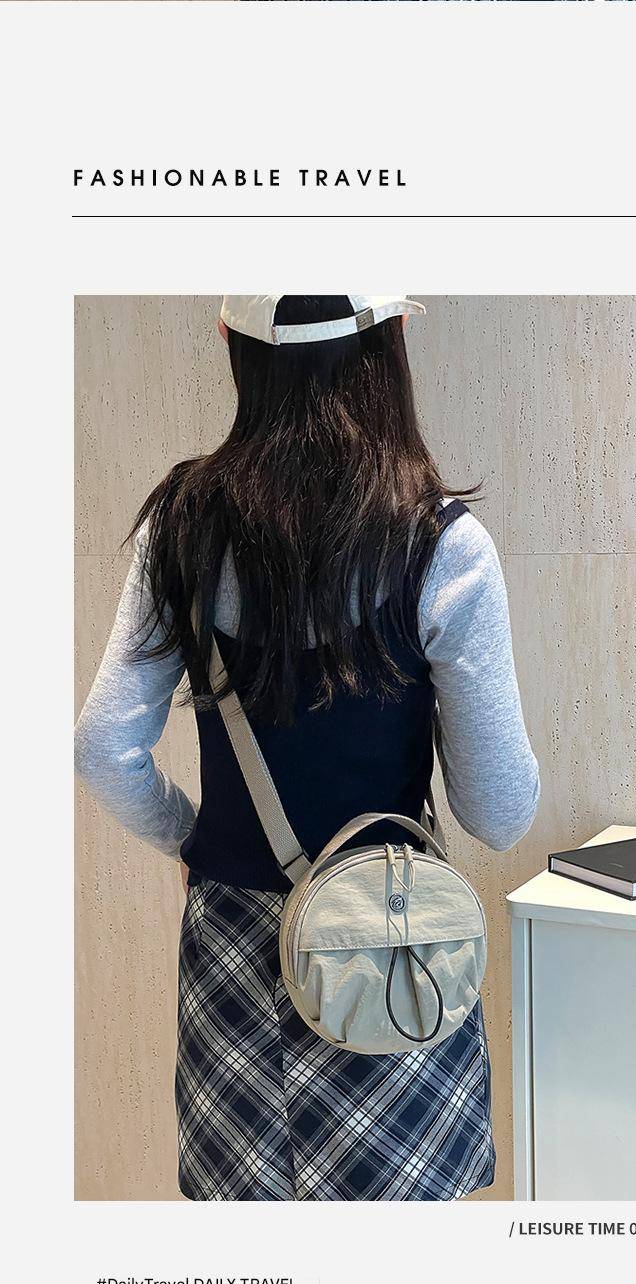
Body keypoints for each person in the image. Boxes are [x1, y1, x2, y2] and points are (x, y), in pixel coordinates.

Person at [74, 294, 540, 1202]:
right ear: (395, 336)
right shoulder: (444, 546)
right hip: (390, 947)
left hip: (233, 960)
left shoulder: (182, 530)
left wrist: (192, 837)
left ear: (229, 340)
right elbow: (499, 812)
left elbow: (103, 746)